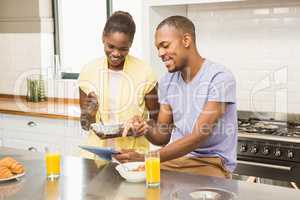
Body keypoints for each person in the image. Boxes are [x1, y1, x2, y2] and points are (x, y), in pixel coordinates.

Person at [115, 15, 237, 178]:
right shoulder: (166, 82)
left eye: (165, 46)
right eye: (158, 48)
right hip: (175, 160)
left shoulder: (220, 77)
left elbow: (198, 136)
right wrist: (145, 127)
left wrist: (146, 158)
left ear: (186, 40)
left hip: (210, 162)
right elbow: (162, 136)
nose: (160, 53)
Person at [78, 11, 159, 160]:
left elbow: (158, 122)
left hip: (132, 156)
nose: (116, 53)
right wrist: (88, 114)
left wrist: (143, 127)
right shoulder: (88, 71)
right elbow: (85, 125)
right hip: (95, 156)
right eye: (111, 46)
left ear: (131, 44)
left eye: (123, 49)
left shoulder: (145, 72)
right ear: (103, 37)